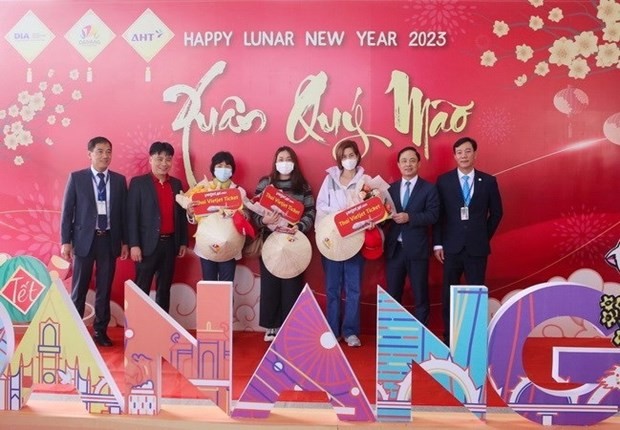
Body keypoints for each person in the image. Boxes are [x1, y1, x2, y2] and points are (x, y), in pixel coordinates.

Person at [433, 137, 503, 343]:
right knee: (449, 294)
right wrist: (438, 243)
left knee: (476, 294)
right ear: (454, 156)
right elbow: (439, 216)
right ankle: (449, 336)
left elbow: (497, 213)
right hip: (451, 247)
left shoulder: (488, 181)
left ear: (475, 153)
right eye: (459, 152)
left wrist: (482, 235)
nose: (463, 156)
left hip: (477, 248)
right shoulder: (444, 181)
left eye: (467, 151)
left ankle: (474, 337)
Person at [60, 136, 128, 347]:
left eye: (108, 151)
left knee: (104, 288)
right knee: (79, 289)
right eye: (100, 151)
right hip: (83, 241)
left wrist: (125, 241)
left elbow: (123, 214)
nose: (105, 155)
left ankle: (100, 331)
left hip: (108, 240)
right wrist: (66, 241)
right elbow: (67, 212)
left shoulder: (118, 180)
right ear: (90, 154)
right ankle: (74, 332)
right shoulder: (77, 178)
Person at [252, 146, 316, 342]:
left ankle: (291, 325)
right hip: (269, 241)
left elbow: (311, 212)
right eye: (281, 158)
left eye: (288, 158)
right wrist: (263, 221)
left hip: (294, 242)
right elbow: (254, 211)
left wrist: (300, 226)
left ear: (294, 162)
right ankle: (271, 325)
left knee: (292, 284)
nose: (285, 161)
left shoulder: (302, 186)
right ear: (275, 161)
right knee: (270, 283)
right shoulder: (266, 183)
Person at [315, 139, 372, 347]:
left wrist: (364, 220)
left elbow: (371, 208)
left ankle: (350, 331)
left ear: (357, 156)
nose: (348, 159)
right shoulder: (329, 179)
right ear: (339, 159)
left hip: (355, 241)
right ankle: (332, 330)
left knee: (353, 288)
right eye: (344, 156)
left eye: (352, 155)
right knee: (332, 288)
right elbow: (321, 205)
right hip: (331, 239)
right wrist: (337, 216)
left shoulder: (365, 181)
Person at [127, 141, 188, 313]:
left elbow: (180, 215)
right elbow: (131, 216)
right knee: (141, 287)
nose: (164, 163)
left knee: (164, 288)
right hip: (146, 246)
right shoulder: (138, 183)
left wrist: (182, 241)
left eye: (168, 159)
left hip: (170, 244)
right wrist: (134, 244)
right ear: (150, 159)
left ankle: (163, 327)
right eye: (159, 159)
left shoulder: (176, 184)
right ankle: (138, 326)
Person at [384, 146, 439, 325]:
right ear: (398, 165)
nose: (408, 164)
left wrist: (410, 217)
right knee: (393, 295)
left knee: (420, 294)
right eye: (404, 161)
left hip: (417, 250)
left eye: (412, 160)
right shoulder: (389, 189)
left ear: (419, 164)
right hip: (395, 250)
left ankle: (422, 335)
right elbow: (384, 218)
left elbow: (433, 215)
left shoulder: (429, 189)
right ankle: (393, 332)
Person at [185, 151, 247, 282]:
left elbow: (246, 218)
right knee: (209, 284)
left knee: (227, 285)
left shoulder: (239, 192)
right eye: (219, 165)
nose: (223, 169)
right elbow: (195, 220)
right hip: (207, 244)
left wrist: (242, 215)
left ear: (232, 170)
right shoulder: (202, 191)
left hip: (229, 244)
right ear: (213, 168)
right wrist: (190, 213)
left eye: (227, 166)